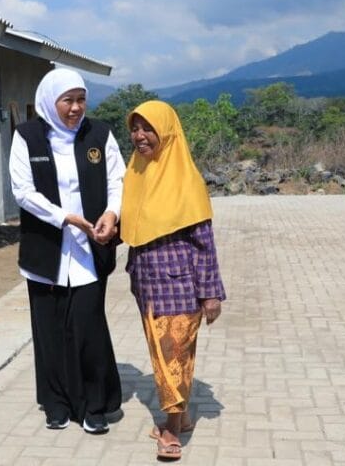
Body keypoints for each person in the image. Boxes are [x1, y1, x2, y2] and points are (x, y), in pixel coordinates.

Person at [9, 67, 125, 434]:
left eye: (81, 99)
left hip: (91, 250)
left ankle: (95, 405)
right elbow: (23, 191)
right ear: (49, 102)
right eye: (67, 101)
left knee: (88, 327)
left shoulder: (99, 134)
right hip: (46, 251)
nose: (76, 108)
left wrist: (112, 213)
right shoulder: (27, 137)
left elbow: (118, 180)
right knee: (49, 330)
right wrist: (64, 218)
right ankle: (56, 404)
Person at [120, 100, 226, 460]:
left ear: (166, 132)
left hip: (180, 286)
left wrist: (211, 294)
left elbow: (204, 244)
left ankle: (171, 428)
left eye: (147, 128)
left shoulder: (186, 180)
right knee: (163, 354)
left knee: (173, 357)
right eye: (135, 128)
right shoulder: (137, 172)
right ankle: (183, 416)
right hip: (146, 284)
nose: (139, 136)